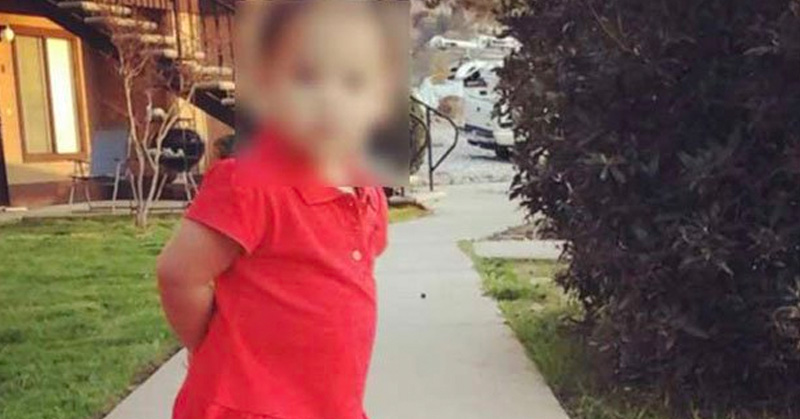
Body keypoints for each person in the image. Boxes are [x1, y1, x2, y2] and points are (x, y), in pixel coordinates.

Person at [156, 2, 401, 418]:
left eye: (354, 82)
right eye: (306, 77)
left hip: (329, 405)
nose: (330, 99)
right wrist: (210, 347)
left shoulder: (368, 191)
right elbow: (179, 274)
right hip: (245, 405)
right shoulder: (250, 184)